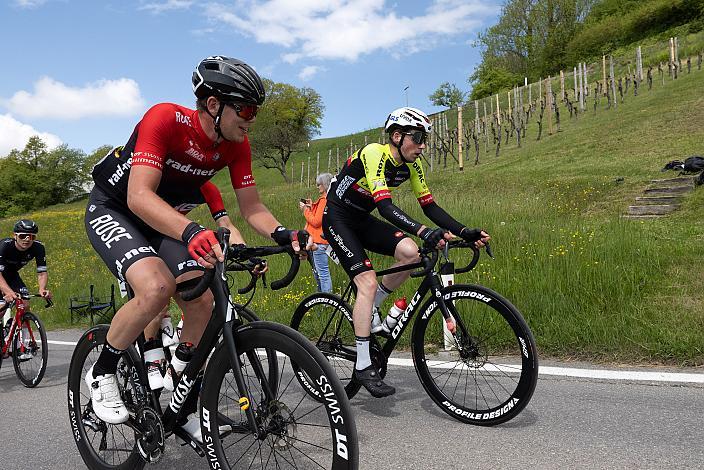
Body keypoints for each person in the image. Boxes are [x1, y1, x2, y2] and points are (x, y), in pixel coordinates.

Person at [84, 55, 311, 430]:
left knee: (202, 302)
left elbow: (252, 207)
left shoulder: (237, 143)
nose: (251, 120)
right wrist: (191, 231)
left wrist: (284, 234)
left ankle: (178, 385)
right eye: (247, 110)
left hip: (163, 219)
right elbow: (139, 196)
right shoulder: (164, 119)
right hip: (116, 208)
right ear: (213, 105)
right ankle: (103, 369)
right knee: (157, 288)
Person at [323, 107, 490, 398]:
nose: (423, 145)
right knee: (367, 280)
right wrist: (425, 231)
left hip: (361, 219)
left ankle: (371, 304)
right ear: (397, 136)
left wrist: (465, 231)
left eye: (425, 138)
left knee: (411, 253)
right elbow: (385, 207)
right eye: (418, 138)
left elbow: (430, 206)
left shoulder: (412, 165)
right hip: (337, 218)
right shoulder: (375, 153)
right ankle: (363, 366)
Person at [0, 219, 52, 314]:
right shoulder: (4, 246)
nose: (27, 239)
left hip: (11, 275)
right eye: (23, 236)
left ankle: (24, 329)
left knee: (24, 305)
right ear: (15, 235)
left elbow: (42, 273)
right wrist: (7, 291)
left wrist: (42, 288)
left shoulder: (38, 248)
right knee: (1, 309)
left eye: (32, 237)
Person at [300, 173, 333, 293]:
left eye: (319, 184)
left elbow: (316, 221)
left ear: (325, 185)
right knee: (317, 271)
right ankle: (321, 296)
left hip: (318, 242)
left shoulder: (324, 200)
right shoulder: (328, 199)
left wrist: (305, 210)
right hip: (317, 241)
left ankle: (326, 299)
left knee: (322, 273)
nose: (317, 187)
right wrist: (312, 206)